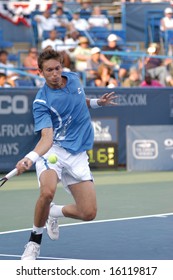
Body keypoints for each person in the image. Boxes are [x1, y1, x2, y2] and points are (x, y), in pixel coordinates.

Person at [15, 49, 117, 260]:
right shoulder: (41, 102)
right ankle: (34, 241)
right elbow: (46, 138)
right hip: (53, 151)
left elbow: (80, 100)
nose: (54, 73)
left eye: (57, 68)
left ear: (62, 67)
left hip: (78, 155)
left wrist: (98, 103)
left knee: (89, 213)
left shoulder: (73, 79)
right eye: (49, 70)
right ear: (40, 72)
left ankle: (53, 212)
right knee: (47, 192)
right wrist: (30, 158)